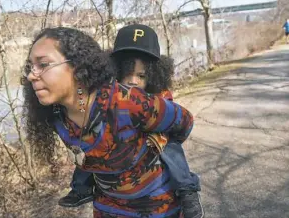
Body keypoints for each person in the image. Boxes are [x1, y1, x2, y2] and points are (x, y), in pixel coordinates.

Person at [21, 26, 194, 217]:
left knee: (171, 148)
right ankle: (80, 190)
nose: (31, 75)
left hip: (156, 208)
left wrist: (161, 136)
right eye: (30, 67)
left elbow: (184, 122)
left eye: (44, 64)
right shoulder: (53, 114)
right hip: (107, 207)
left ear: (78, 65)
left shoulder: (134, 103)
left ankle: (188, 188)